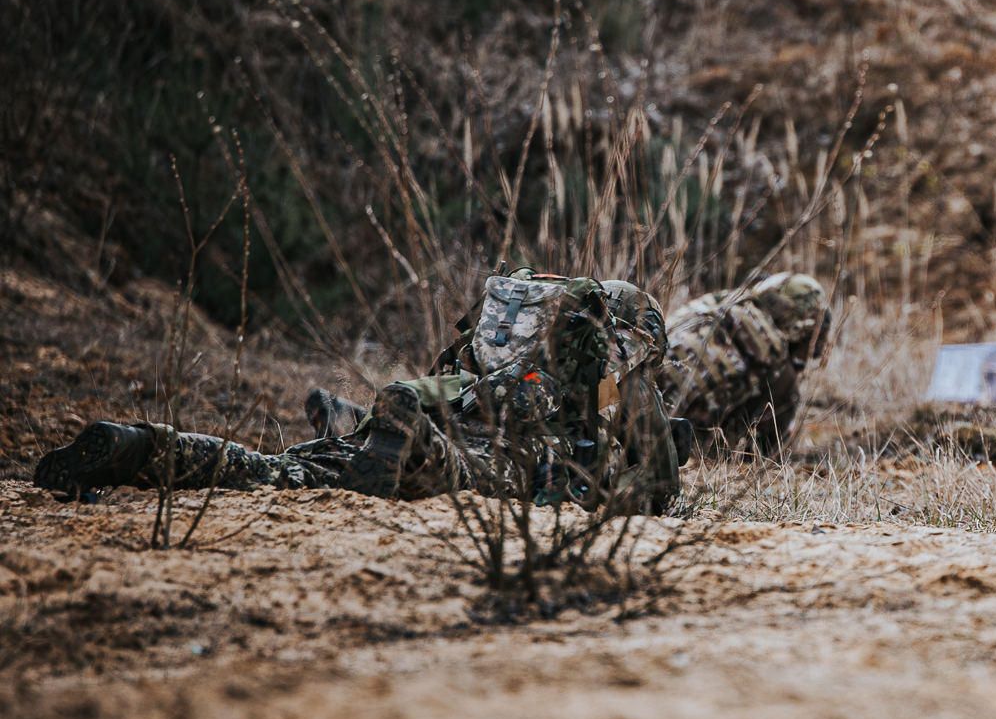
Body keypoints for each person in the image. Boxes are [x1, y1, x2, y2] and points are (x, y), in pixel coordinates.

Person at [35, 271, 682, 514]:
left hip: (420, 412)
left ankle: (139, 446)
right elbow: (656, 484)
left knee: (282, 471)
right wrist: (603, 489)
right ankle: (408, 438)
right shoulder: (615, 379)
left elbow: (444, 374)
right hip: (490, 451)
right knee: (455, 469)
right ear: (635, 335)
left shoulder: (501, 343)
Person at [662, 271, 830, 455]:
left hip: (641, 397)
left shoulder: (721, 300)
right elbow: (772, 446)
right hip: (669, 432)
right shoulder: (773, 349)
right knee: (785, 386)